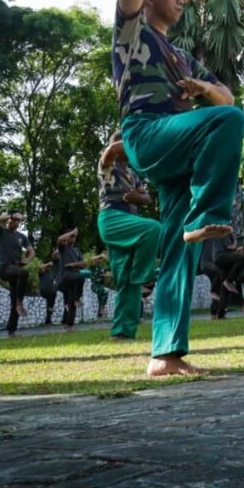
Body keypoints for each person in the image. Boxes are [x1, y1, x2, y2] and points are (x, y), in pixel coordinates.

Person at [115, 0, 244, 376]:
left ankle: (164, 356)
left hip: (178, 152)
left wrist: (204, 87)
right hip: (146, 134)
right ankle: (207, 213)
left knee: (179, 249)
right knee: (229, 122)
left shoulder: (182, 56)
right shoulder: (132, 33)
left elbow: (224, 96)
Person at [97, 133, 160, 340]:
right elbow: (111, 150)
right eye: (129, 144)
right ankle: (144, 276)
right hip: (113, 219)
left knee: (126, 281)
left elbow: (148, 198)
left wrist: (137, 197)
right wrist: (136, 134)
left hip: (131, 221)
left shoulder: (133, 174)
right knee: (153, 228)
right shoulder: (106, 165)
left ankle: (123, 333)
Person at [0, 211, 34, 337]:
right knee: (24, 272)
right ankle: (20, 303)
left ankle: (12, 331)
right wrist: (10, 216)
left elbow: (32, 252)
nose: (13, 222)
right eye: (12, 219)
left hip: (16, 270)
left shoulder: (22, 236)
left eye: (17, 220)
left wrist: (27, 260)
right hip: (4, 268)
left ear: (19, 223)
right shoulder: (1, 232)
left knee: (14, 300)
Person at [38, 250, 59, 325]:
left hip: (52, 292)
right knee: (50, 302)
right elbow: (39, 268)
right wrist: (47, 264)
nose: (49, 268)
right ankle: (48, 318)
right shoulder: (42, 273)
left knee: (50, 305)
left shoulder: (51, 273)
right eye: (48, 267)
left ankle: (48, 319)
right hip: (45, 290)